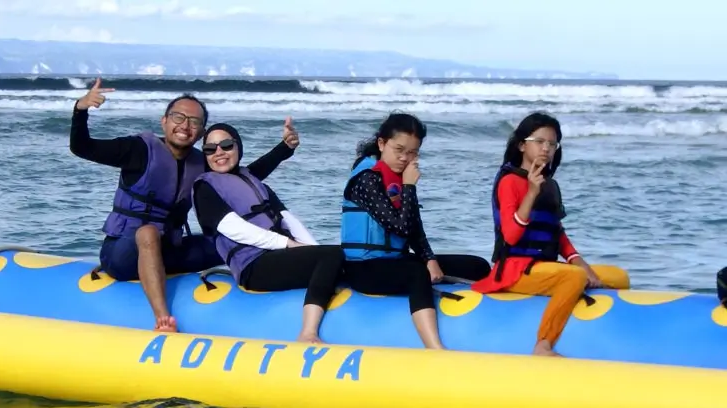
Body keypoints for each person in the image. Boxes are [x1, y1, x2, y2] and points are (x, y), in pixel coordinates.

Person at [70, 78, 299, 333]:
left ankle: (283, 282)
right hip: (122, 254)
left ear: (201, 133)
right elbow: (82, 147)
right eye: (178, 117)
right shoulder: (138, 149)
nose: (185, 126)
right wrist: (81, 109)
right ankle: (162, 318)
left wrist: (283, 150)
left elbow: (245, 175)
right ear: (164, 121)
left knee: (226, 240)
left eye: (194, 122)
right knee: (147, 232)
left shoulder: (201, 163)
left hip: (171, 251)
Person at [471, 111, 630, 357]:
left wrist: (583, 265)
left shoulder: (551, 185)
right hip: (513, 270)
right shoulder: (509, 182)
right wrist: (531, 193)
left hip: (544, 267)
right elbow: (511, 236)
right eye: (540, 142)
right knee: (573, 278)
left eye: (552, 144)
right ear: (522, 145)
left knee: (619, 277)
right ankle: (543, 344)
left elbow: (558, 235)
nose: (546, 148)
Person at [339, 112, 492, 350]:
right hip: (364, 270)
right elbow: (399, 226)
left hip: (396, 261)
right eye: (398, 149)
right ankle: (434, 347)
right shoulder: (366, 180)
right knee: (416, 273)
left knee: (476, 265)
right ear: (381, 143)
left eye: (412, 152)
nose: (404, 158)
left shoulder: (399, 178)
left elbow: (414, 227)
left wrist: (429, 259)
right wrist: (409, 186)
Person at [192, 123, 345, 344]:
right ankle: (308, 332)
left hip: (277, 256)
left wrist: (314, 249)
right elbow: (234, 228)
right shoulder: (204, 188)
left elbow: (288, 219)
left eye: (226, 145)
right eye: (210, 148)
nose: (219, 153)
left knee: (339, 254)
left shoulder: (250, 180)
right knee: (331, 256)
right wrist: (290, 245)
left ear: (238, 147)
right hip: (252, 267)